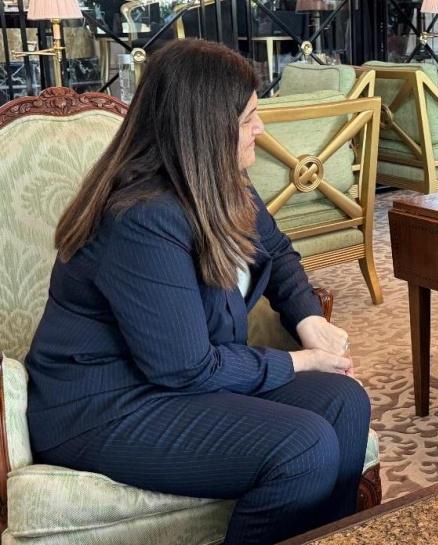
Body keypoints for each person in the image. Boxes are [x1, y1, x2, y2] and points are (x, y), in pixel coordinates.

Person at [25, 39, 370, 545]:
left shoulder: (222, 182)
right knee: (302, 446)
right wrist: (302, 361)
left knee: (344, 403)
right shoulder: (141, 218)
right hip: (104, 405)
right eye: (249, 118)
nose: (262, 129)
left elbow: (278, 254)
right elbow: (186, 368)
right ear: (206, 128)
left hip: (173, 383)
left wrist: (308, 320)